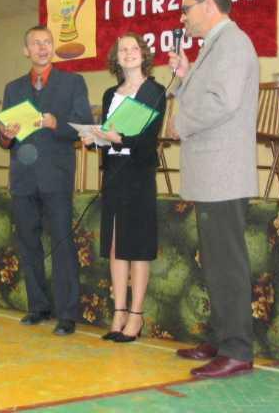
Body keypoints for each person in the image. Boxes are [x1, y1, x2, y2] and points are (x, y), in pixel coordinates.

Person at [167, 0, 259, 378]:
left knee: (227, 264)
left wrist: (181, 123)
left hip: (224, 175)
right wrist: (186, 75)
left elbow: (223, 102)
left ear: (208, 6)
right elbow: (207, 94)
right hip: (211, 175)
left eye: (186, 9)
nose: (183, 18)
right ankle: (222, 339)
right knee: (215, 263)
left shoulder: (233, 43)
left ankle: (237, 350)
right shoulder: (213, 46)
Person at [0, 25, 93, 336]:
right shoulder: (13, 88)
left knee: (62, 244)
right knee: (28, 244)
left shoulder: (73, 82)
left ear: (53, 47)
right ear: (26, 51)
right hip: (23, 179)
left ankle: (67, 314)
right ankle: (38, 307)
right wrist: (5, 134)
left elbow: (84, 125)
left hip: (56, 176)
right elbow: (4, 139)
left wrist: (56, 123)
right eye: (36, 43)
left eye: (47, 42)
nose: (42, 47)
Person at [81, 33, 166, 343]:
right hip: (114, 172)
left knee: (138, 246)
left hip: (139, 173)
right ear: (115, 58)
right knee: (116, 244)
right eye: (122, 50)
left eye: (133, 48)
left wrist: (118, 138)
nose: (128, 53)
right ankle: (118, 311)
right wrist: (95, 138)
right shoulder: (109, 94)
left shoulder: (155, 91)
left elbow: (147, 139)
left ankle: (136, 314)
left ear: (143, 54)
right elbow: (108, 134)